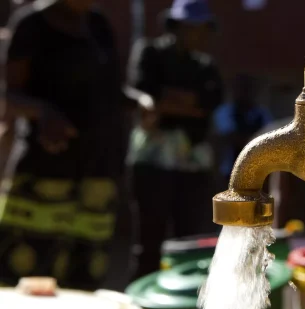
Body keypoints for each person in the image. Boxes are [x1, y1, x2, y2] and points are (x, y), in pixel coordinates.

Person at [0, 0, 129, 290]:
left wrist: (141, 101)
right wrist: (45, 113)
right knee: (27, 269)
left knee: (85, 272)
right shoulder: (31, 24)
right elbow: (10, 97)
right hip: (46, 171)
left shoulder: (99, 25)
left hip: (98, 170)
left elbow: (112, 90)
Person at [126, 0, 224, 281]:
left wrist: (168, 102)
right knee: (148, 238)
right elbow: (144, 95)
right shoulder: (150, 53)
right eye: (192, 28)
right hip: (152, 161)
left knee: (189, 239)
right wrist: (187, 104)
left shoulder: (206, 66)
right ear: (177, 26)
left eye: (203, 29)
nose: (198, 35)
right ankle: (142, 302)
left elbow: (209, 103)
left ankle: (183, 304)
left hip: (192, 166)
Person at [212, 74, 273, 184]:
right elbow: (230, 136)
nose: (245, 93)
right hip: (229, 174)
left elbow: (270, 141)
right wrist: (255, 142)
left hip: (257, 175)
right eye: (242, 89)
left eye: (249, 89)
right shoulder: (225, 112)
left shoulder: (262, 114)